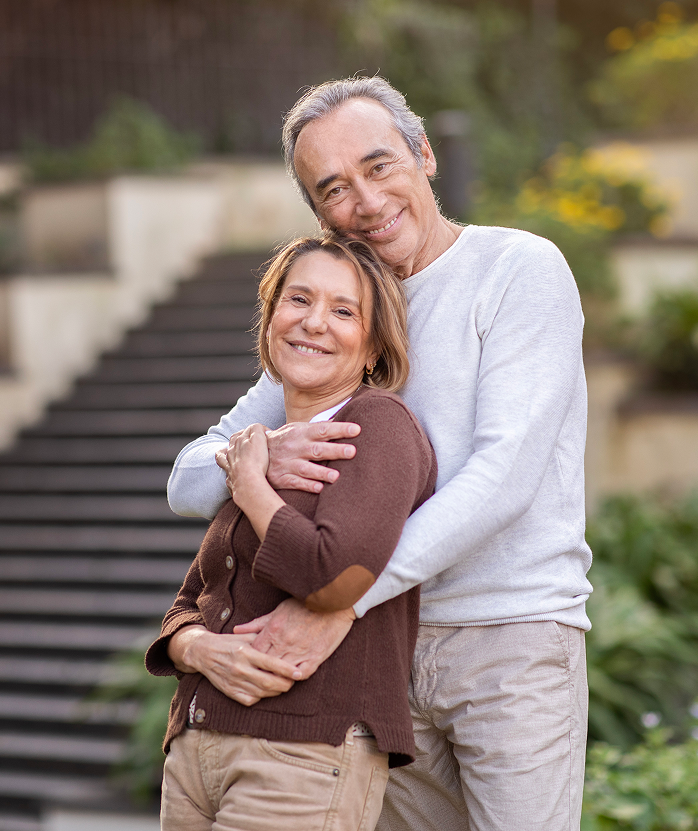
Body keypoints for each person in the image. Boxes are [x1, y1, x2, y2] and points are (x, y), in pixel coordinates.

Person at [167, 76, 592, 831]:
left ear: (424, 153)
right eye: (333, 188)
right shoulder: (340, 322)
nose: (365, 201)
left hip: (509, 637)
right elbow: (188, 480)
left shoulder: (517, 269)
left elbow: (503, 478)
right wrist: (263, 454)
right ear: (318, 213)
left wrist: (343, 599)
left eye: (379, 165)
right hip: (380, 658)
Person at [146, 235, 437, 831]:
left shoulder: (377, 426)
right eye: (298, 299)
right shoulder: (264, 441)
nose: (314, 322)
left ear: (374, 346)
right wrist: (193, 647)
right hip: (196, 751)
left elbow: (335, 580)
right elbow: (193, 599)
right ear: (271, 316)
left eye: (343, 311)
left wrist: (250, 482)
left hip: (302, 754)